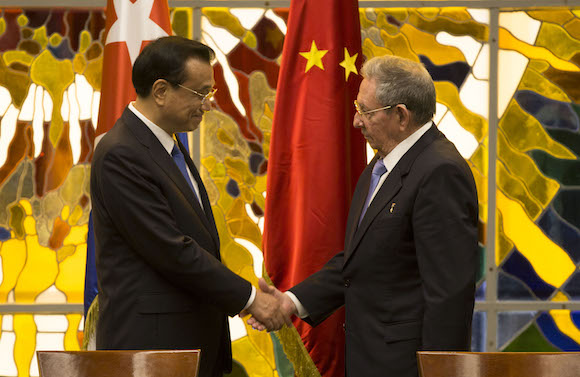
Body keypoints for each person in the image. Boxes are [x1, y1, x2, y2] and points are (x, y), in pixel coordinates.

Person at [250, 55, 479, 377]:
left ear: (401, 115)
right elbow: (361, 261)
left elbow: (449, 294)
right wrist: (291, 301)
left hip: (408, 367)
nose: (356, 121)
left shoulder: (440, 171)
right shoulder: (381, 165)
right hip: (368, 359)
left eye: (365, 111)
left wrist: (440, 370)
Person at [90, 36, 288, 377]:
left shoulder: (167, 144)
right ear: (162, 91)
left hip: (188, 343)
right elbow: (171, 249)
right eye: (201, 93)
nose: (208, 104)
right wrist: (250, 300)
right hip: (153, 349)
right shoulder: (121, 154)